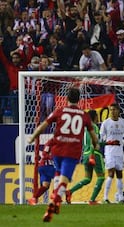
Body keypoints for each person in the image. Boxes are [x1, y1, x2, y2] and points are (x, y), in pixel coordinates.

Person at [28, 87, 99, 222]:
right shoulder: (83, 115)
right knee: (64, 180)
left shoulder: (59, 111)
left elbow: (44, 125)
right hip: (71, 151)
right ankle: (53, 202)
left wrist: (33, 137)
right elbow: (93, 136)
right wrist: (96, 145)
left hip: (57, 150)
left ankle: (57, 202)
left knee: (58, 175)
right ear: (79, 99)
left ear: (67, 98)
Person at [66, 110, 105, 205]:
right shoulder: (94, 127)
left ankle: (70, 191)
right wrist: (92, 155)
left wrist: (108, 143)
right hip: (94, 154)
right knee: (101, 177)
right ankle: (92, 200)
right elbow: (93, 141)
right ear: (95, 117)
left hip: (85, 155)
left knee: (87, 179)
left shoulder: (84, 129)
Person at [100, 103, 124, 203]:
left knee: (119, 173)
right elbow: (100, 139)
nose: (112, 112)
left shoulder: (123, 123)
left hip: (119, 151)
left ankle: (120, 197)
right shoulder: (105, 123)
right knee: (111, 173)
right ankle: (105, 197)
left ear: (118, 111)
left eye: (114, 110)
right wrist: (109, 142)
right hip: (109, 150)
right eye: (110, 110)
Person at [28, 138, 56, 205]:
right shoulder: (50, 142)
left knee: (45, 186)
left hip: (43, 167)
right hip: (46, 166)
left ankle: (33, 198)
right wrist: (53, 157)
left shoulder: (60, 143)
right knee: (61, 177)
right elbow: (44, 154)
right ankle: (54, 196)